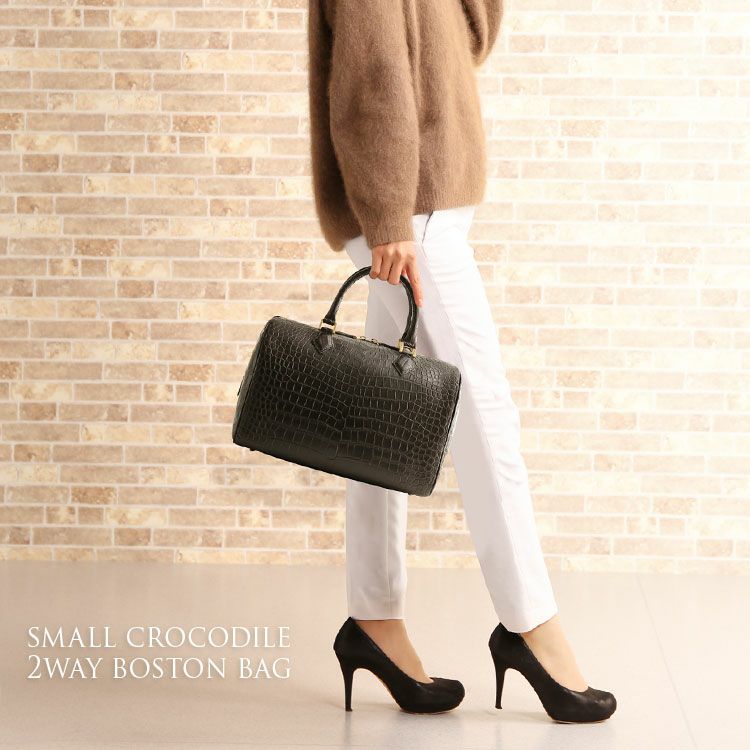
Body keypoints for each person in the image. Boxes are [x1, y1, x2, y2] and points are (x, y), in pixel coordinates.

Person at [307, 0, 617, 723]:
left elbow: (473, 35)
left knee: (383, 419)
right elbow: (372, 76)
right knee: (485, 419)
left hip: (420, 209)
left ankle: (373, 620)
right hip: (409, 214)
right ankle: (531, 627)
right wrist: (388, 216)